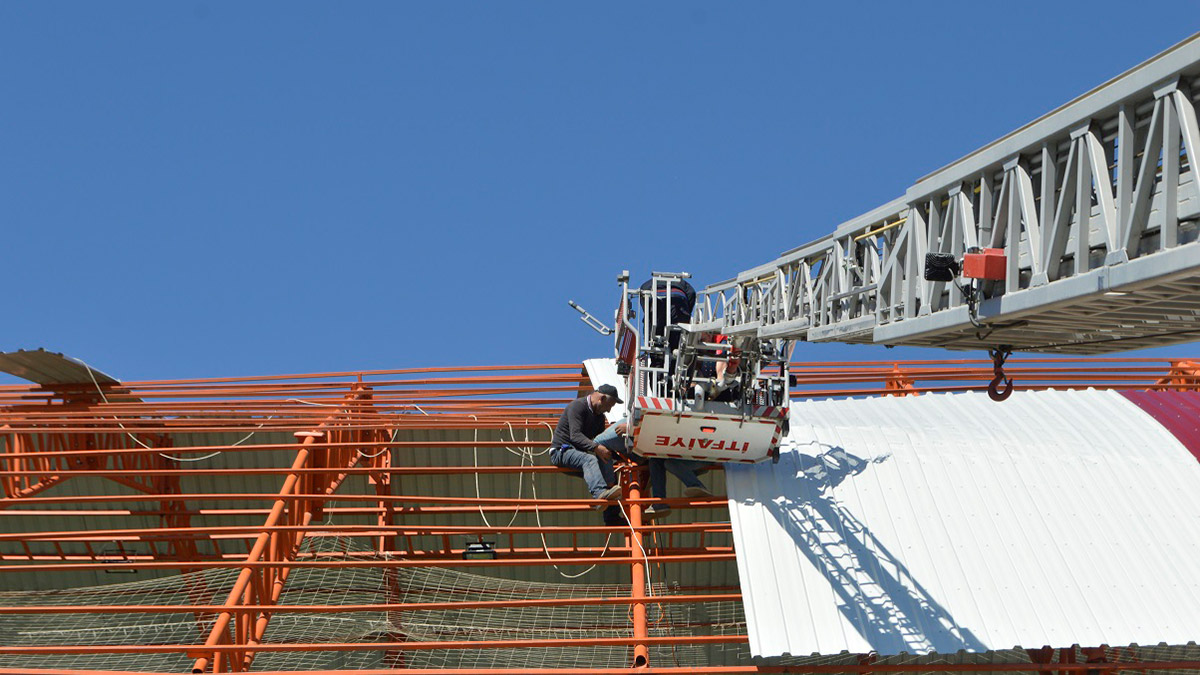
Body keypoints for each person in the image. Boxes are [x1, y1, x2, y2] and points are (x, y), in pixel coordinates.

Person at [592, 420, 712, 521]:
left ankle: (691, 486)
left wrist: (632, 428)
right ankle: (660, 501)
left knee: (666, 462)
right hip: (686, 449)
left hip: (697, 451)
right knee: (658, 460)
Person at [549, 384, 626, 525]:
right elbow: (575, 436)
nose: (609, 410)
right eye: (609, 406)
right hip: (561, 451)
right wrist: (597, 448)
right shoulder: (577, 406)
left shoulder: (599, 417)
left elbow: (603, 444)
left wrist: (622, 457)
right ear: (601, 398)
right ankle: (599, 495)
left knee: (608, 468)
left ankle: (612, 518)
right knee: (589, 460)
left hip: (578, 454)